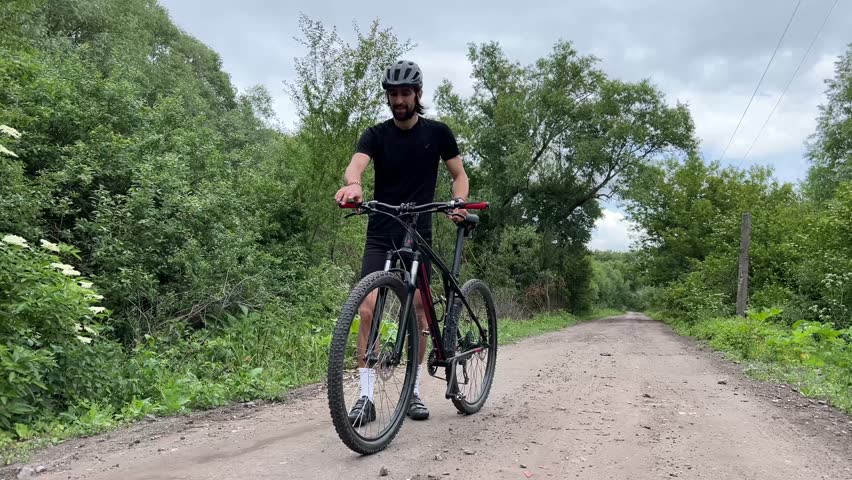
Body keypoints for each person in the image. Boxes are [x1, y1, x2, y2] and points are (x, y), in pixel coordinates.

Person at [335, 60, 470, 424]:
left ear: (417, 94)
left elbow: (459, 175)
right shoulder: (375, 135)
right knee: (367, 308)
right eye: (393, 94)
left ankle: (411, 392)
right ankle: (365, 397)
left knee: (420, 312)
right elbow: (356, 166)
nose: (399, 100)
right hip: (382, 228)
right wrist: (354, 185)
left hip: (418, 229)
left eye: (405, 93)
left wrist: (457, 202)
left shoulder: (438, 133)